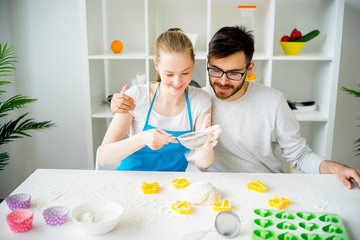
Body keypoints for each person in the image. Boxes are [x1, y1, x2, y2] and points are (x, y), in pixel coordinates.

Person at [110, 26, 360, 189]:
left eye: (234, 73)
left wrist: (334, 168)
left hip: (267, 186)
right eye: (215, 70)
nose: (222, 80)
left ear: (249, 69)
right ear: (206, 63)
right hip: (218, 189)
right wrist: (119, 102)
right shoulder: (198, 100)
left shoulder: (272, 101)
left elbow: (300, 155)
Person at [98, 28, 221, 171]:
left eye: (185, 72)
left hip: (173, 186)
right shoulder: (136, 96)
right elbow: (104, 157)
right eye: (169, 74)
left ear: (193, 61)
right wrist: (143, 139)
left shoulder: (200, 100)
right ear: (156, 65)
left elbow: (203, 166)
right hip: (131, 182)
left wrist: (206, 148)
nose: (177, 81)